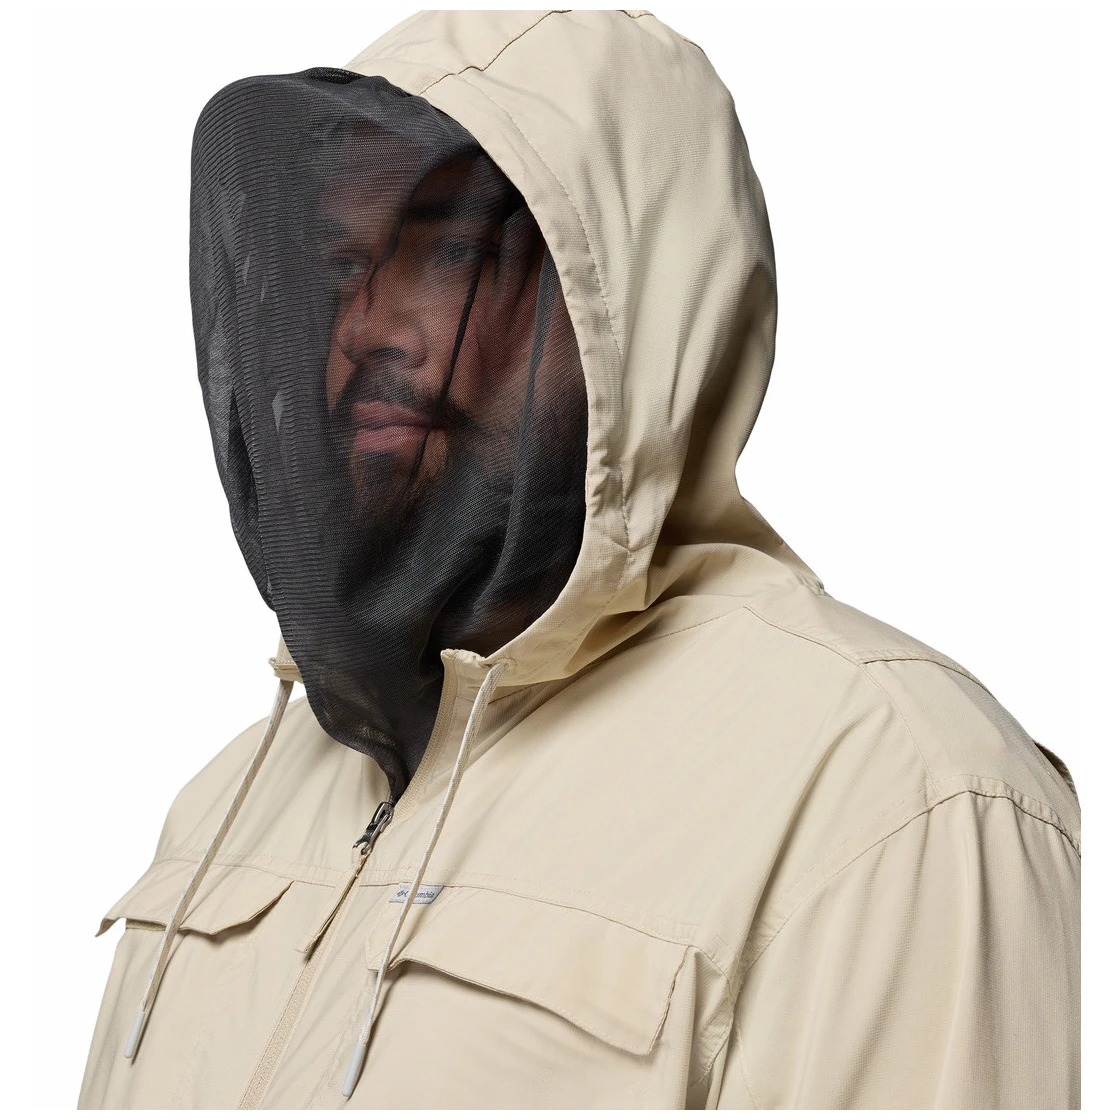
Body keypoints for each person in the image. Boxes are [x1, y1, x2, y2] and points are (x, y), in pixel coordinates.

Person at [78, 10, 1080, 1110]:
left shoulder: (890, 789)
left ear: (636, 300)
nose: (366, 327)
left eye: (453, 255)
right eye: (340, 264)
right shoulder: (237, 796)